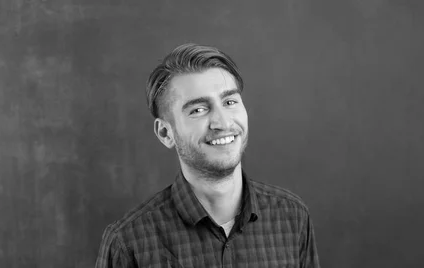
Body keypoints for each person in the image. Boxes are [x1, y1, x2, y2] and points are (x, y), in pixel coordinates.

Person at [95, 43, 320, 267]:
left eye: (230, 102)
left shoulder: (292, 217)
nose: (222, 122)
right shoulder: (128, 244)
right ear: (165, 133)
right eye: (198, 110)